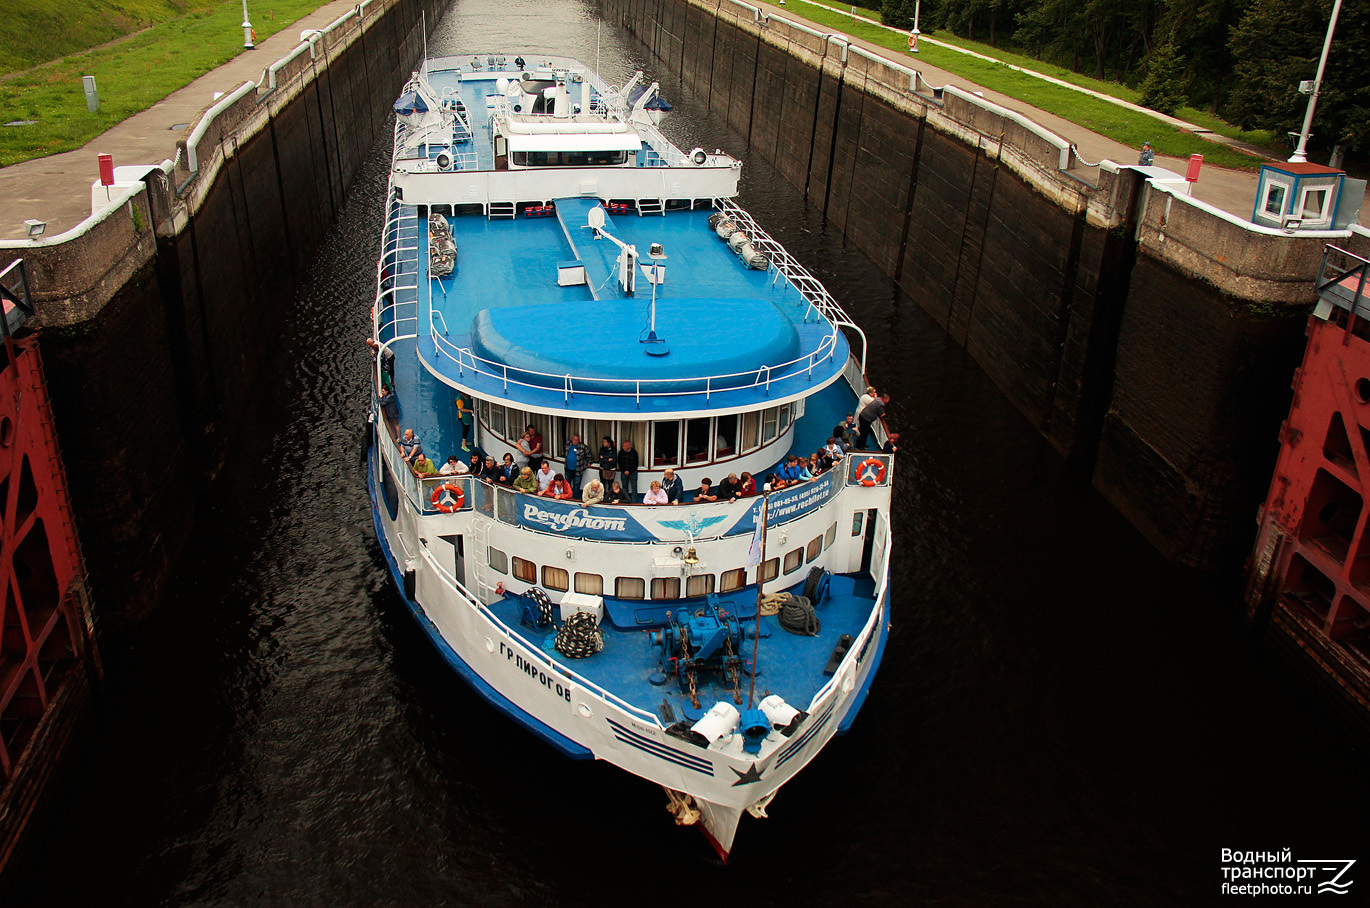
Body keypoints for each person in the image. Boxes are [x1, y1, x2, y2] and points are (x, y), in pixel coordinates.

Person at [566, 433, 591, 498]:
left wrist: (589, 462)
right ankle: (567, 496)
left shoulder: (583, 447)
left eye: (577, 440)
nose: (575, 441)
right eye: (574, 439)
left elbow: (589, 455)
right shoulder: (568, 444)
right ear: (572, 439)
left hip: (578, 470)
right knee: (567, 484)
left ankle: (574, 497)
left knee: (576, 485)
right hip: (568, 469)